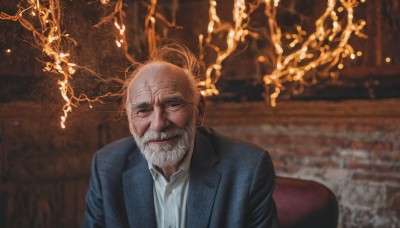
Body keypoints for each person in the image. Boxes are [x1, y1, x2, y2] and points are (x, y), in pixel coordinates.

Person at [82, 42, 278, 228]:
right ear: (130, 122)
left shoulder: (248, 168)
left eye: (173, 104)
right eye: (143, 110)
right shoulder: (106, 167)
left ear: (199, 111)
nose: (158, 124)